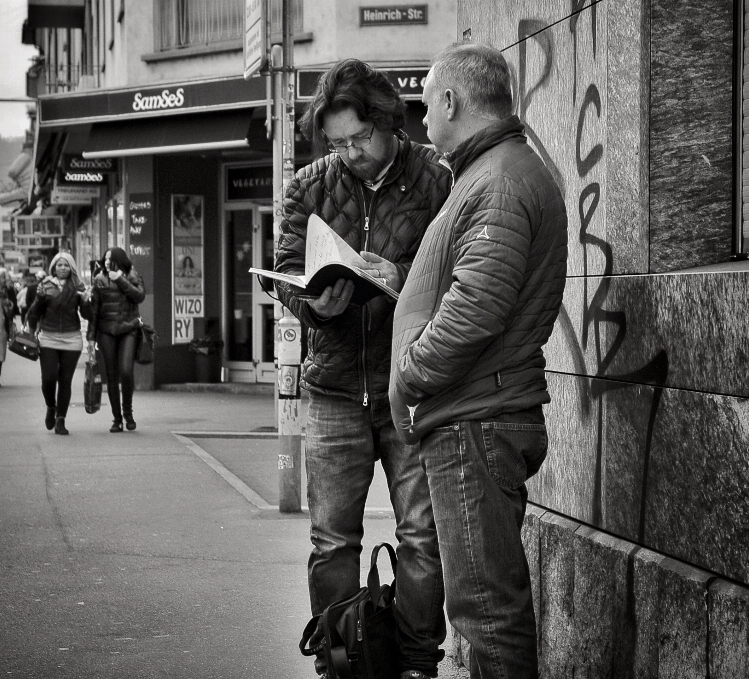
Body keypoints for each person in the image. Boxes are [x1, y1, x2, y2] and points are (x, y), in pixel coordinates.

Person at [389, 43, 569, 679]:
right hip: (481, 414)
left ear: (449, 100)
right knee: (486, 604)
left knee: (485, 610)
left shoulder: (496, 180)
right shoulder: (496, 172)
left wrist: (409, 371)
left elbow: (475, 310)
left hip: (476, 421)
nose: (423, 123)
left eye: (425, 108)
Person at [272, 59, 452, 679]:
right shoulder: (309, 184)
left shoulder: (438, 178)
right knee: (331, 542)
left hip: (411, 385)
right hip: (334, 387)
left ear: (387, 123)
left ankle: (417, 662)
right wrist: (311, 303)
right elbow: (289, 269)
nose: (348, 152)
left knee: (423, 538)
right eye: (336, 142)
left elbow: (463, 273)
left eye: (358, 138)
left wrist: (405, 283)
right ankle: (340, 659)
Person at [27, 253, 92, 436]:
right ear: (54, 267)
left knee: (65, 381)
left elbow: (88, 316)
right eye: (59, 265)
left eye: (66, 265)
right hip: (48, 337)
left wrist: (86, 302)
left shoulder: (78, 286)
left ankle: (61, 419)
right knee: (48, 378)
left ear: (71, 268)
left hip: (72, 338)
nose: (62, 268)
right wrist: (39, 298)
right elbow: (34, 313)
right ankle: (50, 406)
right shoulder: (45, 285)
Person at [87, 247, 145, 433]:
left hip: (129, 329)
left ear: (120, 260)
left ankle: (128, 412)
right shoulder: (99, 279)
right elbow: (94, 311)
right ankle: (117, 419)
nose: (106, 262)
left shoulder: (133, 274)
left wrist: (120, 279)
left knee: (126, 371)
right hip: (106, 332)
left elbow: (139, 296)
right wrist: (90, 338)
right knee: (111, 376)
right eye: (105, 259)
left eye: (110, 259)